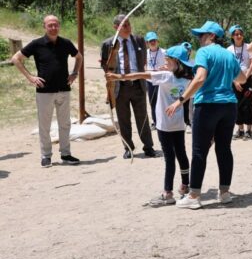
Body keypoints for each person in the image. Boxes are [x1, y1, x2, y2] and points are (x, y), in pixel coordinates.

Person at [169, 20, 246, 209]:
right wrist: (226, 76)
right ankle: (225, 193)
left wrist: (181, 100)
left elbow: (200, 78)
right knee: (224, 149)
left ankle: (194, 196)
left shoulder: (204, 52)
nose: (199, 38)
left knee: (199, 151)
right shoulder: (229, 55)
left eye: (202, 34)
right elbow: (242, 78)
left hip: (207, 106)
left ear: (211, 36)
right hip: (229, 107)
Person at [107, 45, 192, 206]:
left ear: (175, 62)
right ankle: (185, 186)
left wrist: (117, 76)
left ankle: (167, 193)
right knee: (181, 153)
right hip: (179, 123)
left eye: (168, 60)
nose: (165, 62)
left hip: (164, 124)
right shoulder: (188, 79)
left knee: (169, 158)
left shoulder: (165, 76)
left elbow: (139, 74)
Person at [12, 15, 83, 167]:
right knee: (44, 125)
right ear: (44, 26)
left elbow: (79, 57)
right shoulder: (37, 44)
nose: (53, 28)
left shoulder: (65, 43)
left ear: (59, 26)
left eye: (56, 25)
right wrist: (30, 77)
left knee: (65, 124)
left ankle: (66, 154)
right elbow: (16, 59)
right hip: (44, 91)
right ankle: (46, 156)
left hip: (64, 89)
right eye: (50, 25)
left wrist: (75, 73)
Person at [100, 14, 155, 158]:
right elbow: (105, 64)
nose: (128, 28)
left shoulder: (138, 40)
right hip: (120, 87)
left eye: (129, 24)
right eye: (124, 25)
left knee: (142, 117)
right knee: (123, 119)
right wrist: (110, 75)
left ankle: (148, 146)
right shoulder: (108, 44)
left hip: (138, 85)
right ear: (116, 27)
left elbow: (142, 60)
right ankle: (128, 147)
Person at [227, 25, 252, 140]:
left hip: (247, 79)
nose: (238, 36)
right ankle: (240, 130)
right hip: (234, 80)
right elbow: (228, 67)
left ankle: (249, 130)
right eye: (236, 34)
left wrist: (245, 78)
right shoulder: (229, 50)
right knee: (236, 104)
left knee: (248, 104)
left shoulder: (248, 47)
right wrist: (235, 81)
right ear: (232, 36)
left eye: (240, 34)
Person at [144, 31, 166, 130]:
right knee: (152, 102)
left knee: (163, 101)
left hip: (162, 80)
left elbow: (169, 64)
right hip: (150, 81)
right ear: (147, 43)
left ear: (157, 41)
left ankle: (164, 121)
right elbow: (143, 65)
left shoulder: (164, 52)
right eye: (150, 41)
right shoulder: (145, 53)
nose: (153, 42)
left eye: (154, 40)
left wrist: (164, 68)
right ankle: (155, 121)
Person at [181, 42, 193, 130]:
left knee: (188, 107)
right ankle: (183, 122)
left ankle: (188, 122)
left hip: (190, 87)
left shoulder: (193, 62)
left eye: (188, 50)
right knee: (180, 105)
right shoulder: (178, 62)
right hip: (179, 87)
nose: (186, 52)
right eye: (184, 50)